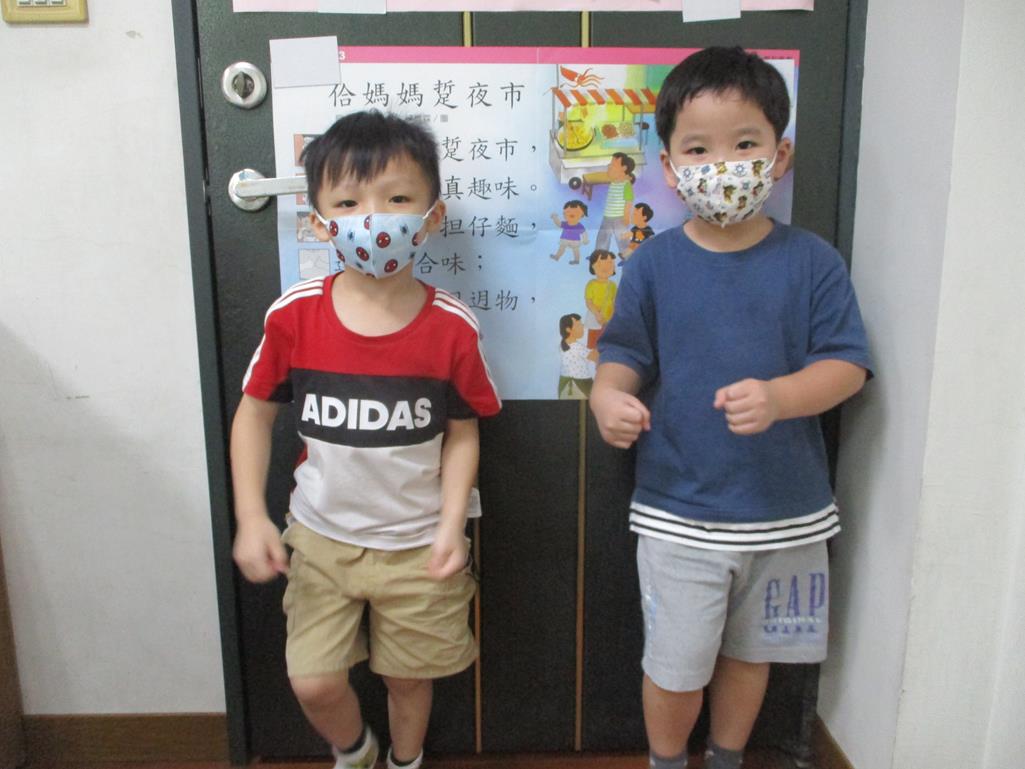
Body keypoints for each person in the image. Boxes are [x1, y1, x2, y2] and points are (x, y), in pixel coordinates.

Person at [589, 47, 872, 769]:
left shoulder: (812, 261)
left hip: (785, 511)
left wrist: (781, 397)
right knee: (675, 664)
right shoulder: (653, 263)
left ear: (780, 155)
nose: (723, 163)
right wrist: (607, 395)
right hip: (679, 510)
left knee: (752, 656)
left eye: (744, 143)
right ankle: (666, 759)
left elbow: (846, 366)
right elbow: (622, 351)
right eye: (698, 149)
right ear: (669, 165)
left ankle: (726, 756)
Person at [230, 110, 501, 769]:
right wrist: (250, 517)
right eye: (348, 203)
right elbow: (253, 415)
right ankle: (355, 752)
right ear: (320, 222)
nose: (372, 218)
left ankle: (406, 760)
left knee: (409, 679)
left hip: (418, 546)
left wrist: (450, 524)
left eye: (397, 198)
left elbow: (463, 433)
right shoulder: (294, 314)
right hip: (320, 539)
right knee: (313, 681)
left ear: (431, 217)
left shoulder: (452, 327)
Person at [595, 152, 636, 256]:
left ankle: (628, 255)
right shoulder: (614, 182)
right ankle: (599, 254)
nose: (609, 166)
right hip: (607, 216)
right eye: (610, 164)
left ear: (624, 168)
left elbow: (629, 201)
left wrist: (626, 216)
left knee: (622, 238)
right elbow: (608, 175)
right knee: (603, 236)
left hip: (619, 217)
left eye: (613, 165)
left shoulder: (626, 185)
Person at [550, 199, 590, 264]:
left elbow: (584, 233)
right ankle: (557, 256)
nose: (570, 214)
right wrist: (555, 218)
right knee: (561, 248)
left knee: (575, 250)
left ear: (582, 215)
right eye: (567, 212)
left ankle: (576, 260)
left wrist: (585, 240)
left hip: (575, 241)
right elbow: (558, 224)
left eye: (575, 213)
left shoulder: (579, 226)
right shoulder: (565, 224)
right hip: (565, 239)